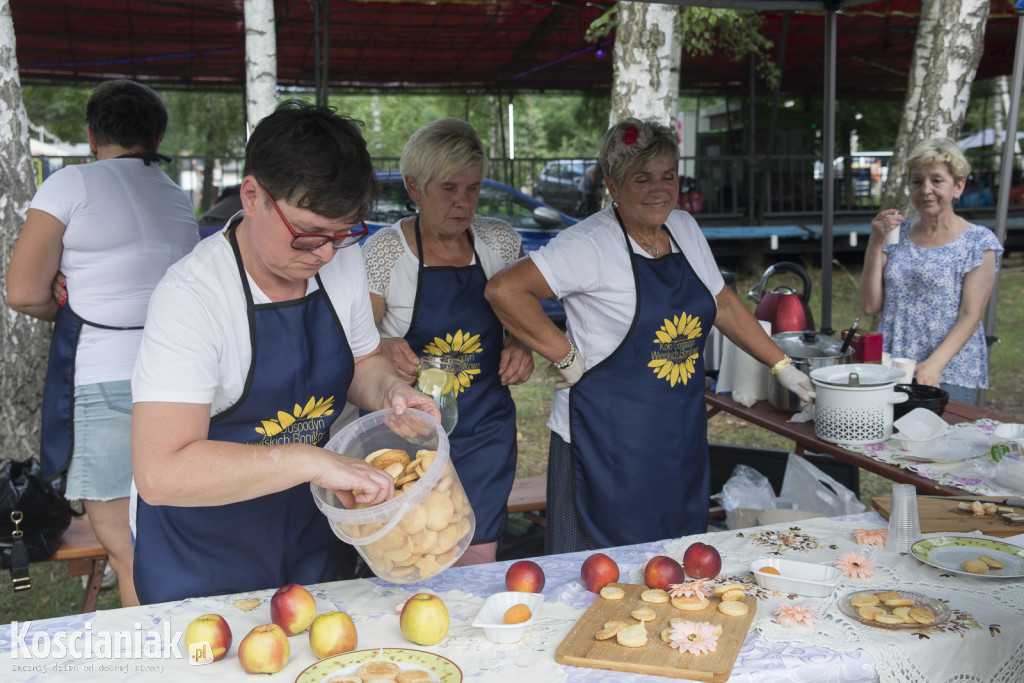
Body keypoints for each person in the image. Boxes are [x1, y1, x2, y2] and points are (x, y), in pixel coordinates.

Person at [129, 101, 441, 604]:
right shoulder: (191, 298)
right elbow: (161, 473)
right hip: (201, 557)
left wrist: (390, 391)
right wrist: (307, 459)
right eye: (307, 236)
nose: (324, 254)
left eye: (343, 235)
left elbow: (363, 361)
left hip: (306, 534)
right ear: (251, 195)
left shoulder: (340, 262)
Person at [485, 118, 813, 554]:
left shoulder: (685, 229)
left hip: (677, 433)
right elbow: (505, 289)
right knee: (600, 572)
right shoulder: (589, 244)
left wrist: (782, 366)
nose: (659, 190)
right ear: (613, 187)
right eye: (642, 179)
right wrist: (564, 355)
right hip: (602, 442)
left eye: (668, 176)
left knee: (676, 561)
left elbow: (724, 302)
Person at [6, 79, 200, 606]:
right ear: (157, 134)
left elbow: (22, 291)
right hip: (178, 377)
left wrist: (65, 308)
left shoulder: (71, 185)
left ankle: (152, 657)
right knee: (172, 535)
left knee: (125, 548)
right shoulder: (176, 195)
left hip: (103, 381)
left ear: (92, 135)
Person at [361, 118, 534, 565]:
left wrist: (520, 342)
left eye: (473, 189)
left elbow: (522, 312)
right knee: (413, 550)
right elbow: (353, 345)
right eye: (448, 189)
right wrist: (383, 347)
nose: (462, 203)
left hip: (485, 427)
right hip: (409, 433)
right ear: (414, 187)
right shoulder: (385, 254)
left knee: (478, 550)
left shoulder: (499, 241)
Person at [859, 138, 1002, 405]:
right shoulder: (896, 236)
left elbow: (970, 316)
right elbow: (869, 304)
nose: (926, 190)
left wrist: (933, 365)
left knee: (942, 444)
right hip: (893, 364)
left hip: (948, 370)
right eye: (917, 182)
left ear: (958, 187)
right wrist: (875, 242)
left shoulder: (978, 242)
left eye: (937, 180)